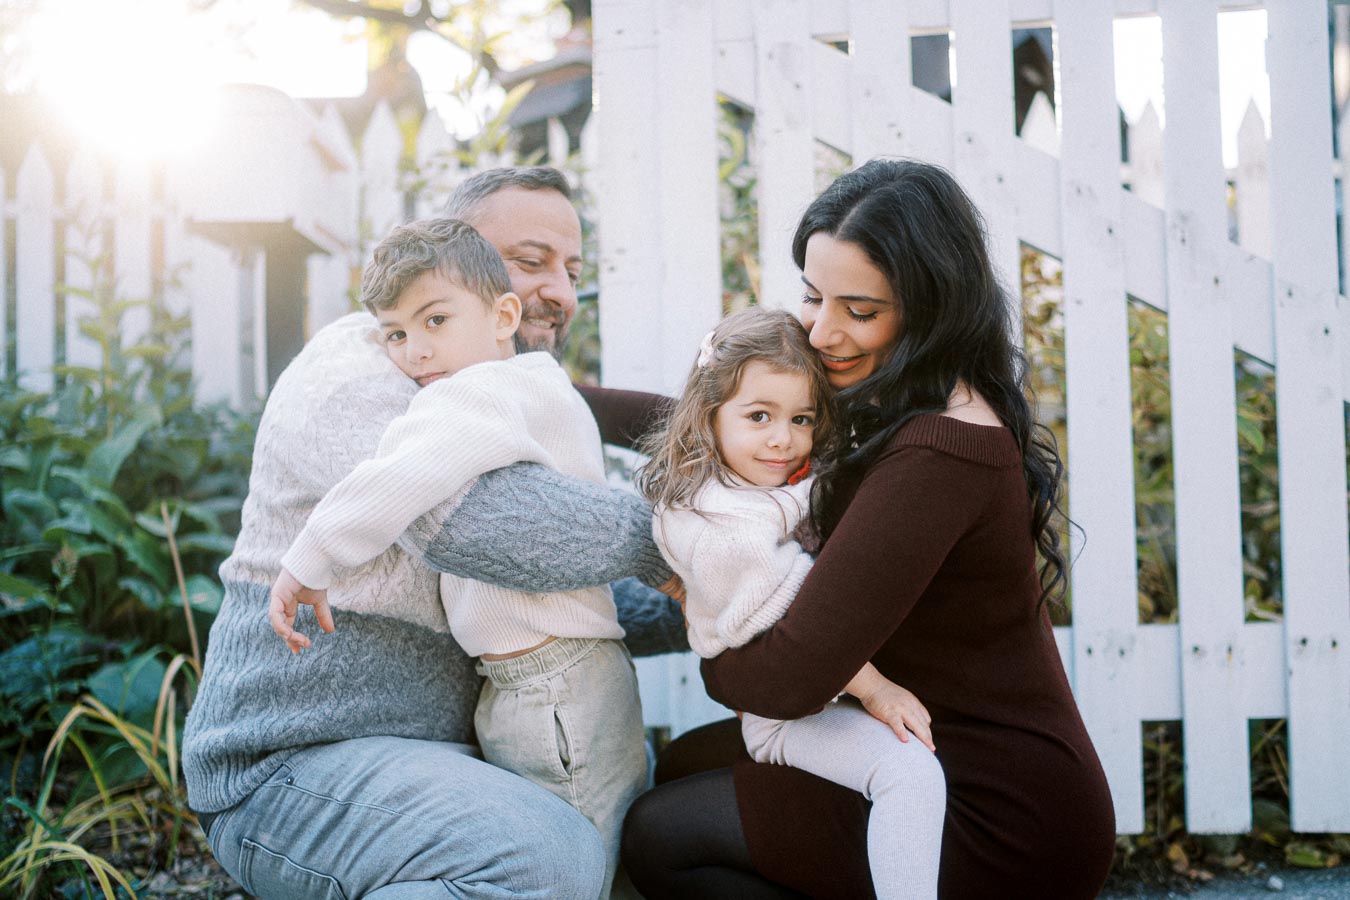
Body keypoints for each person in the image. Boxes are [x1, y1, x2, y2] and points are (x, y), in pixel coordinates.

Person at [183, 167, 685, 900]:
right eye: (533, 259)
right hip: (289, 766)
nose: (561, 291)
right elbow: (486, 527)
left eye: (571, 270)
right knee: (551, 859)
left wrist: (720, 606)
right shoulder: (366, 367)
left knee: (633, 831)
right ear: (452, 256)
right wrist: (695, 544)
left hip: (430, 759)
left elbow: (557, 586)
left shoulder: (477, 381)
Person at [621, 159, 1116, 899]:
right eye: (814, 297)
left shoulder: (939, 454)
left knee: (663, 835)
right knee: (689, 761)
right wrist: (550, 394)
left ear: (930, 307)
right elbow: (731, 417)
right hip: (916, 740)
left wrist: (709, 634)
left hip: (997, 811)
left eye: (859, 310)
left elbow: (791, 680)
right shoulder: (905, 392)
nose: (822, 332)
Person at [270, 217, 646, 898]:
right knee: (590, 852)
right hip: (549, 676)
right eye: (396, 334)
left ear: (504, 316)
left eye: (435, 320)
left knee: (579, 862)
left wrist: (310, 559)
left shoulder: (478, 392)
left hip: (550, 683)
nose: (416, 352)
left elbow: (400, 474)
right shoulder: (534, 387)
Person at [636, 306, 946, 899]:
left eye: (801, 418)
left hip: (818, 693)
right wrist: (877, 688)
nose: (783, 439)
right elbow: (801, 616)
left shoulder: (764, 483)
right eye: (759, 416)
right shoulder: (718, 526)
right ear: (708, 417)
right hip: (789, 715)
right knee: (907, 772)